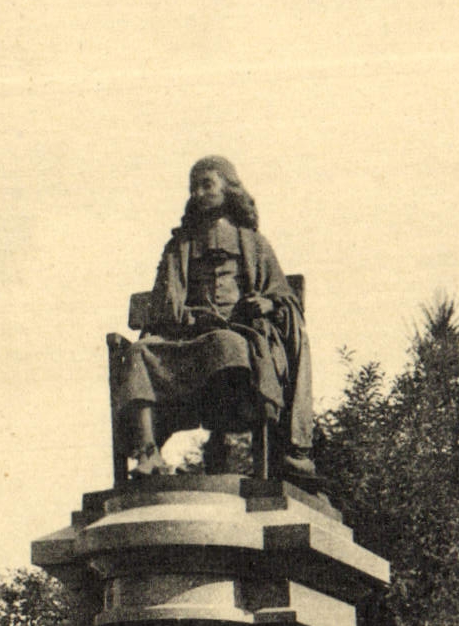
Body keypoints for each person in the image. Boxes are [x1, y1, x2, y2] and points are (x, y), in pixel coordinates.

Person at [111, 157, 314, 479]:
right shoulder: (179, 246)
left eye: (207, 185)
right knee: (138, 353)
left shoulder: (254, 243)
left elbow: (283, 296)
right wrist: (185, 315)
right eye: (194, 187)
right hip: (185, 334)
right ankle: (148, 453)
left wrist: (267, 304)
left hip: (237, 330)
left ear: (229, 189)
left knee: (228, 346)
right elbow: (164, 300)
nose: (198, 193)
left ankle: (223, 443)